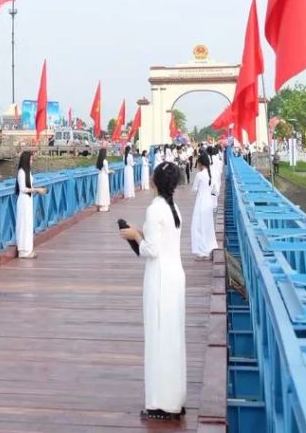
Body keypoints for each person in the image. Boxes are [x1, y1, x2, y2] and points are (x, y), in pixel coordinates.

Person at [120, 162, 187, 421]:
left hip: (159, 278)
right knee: (172, 337)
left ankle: (159, 403)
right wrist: (139, 232)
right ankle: (175, 399)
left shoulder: (155, 209)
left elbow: (151, 250)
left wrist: (136, 236)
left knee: (158, 336)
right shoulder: (173, 208)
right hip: (175, 276)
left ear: (156, 181)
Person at [15, 151, 46, 258]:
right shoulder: (21, 172)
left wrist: (37, 189)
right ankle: (23, 250)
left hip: (28, 200)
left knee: (28, 224)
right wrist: (37, 190)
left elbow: (29, 186)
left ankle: (28, 249)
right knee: (23, 224)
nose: (32, 162)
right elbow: (23, 188)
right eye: (30, 159)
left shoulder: (28, 172)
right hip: (23, 200)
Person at [190, 154, 218, 260]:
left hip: (201, 202)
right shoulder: (212, 174)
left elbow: (194, 189)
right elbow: (215, 191)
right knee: (207, 226)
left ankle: (202, 252)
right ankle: (209, 248)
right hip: (209, 202)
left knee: (198, 226)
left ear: (200, 163)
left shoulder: (199, 175)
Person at [95, 148, 113, 212]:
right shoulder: (105, 161)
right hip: (104, 177)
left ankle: (99, 205)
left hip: (100, 176)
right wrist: (112, 171)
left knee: (100, 191)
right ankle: (104, 206)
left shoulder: (99, 161)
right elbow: (107, 171)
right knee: (105, 191)